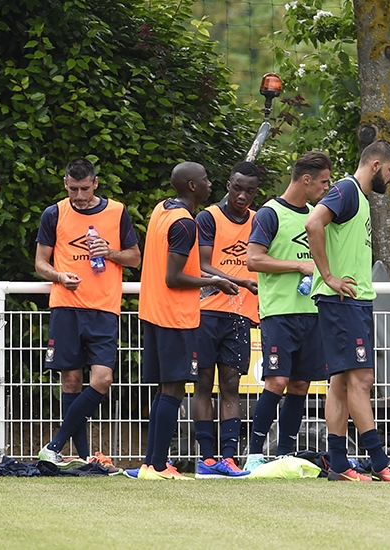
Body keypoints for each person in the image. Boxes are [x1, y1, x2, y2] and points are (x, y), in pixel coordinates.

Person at [305, 140, 390, 482]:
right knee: (362, 379)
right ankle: (380, 463)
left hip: (350, 301)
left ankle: (339, 465)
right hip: (343, 301)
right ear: (375, 165)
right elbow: (313, 224)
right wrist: (328, 276)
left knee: (340, 383)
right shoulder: (347, 190)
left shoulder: (357, 196)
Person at [34, 158, 140, 472]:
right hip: (67, 305)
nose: (78, 195)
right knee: (71, 380)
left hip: (104, 307)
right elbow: (40, 263)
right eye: (72, 189)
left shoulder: (117, 211)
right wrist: (58, 276)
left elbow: (134, 258)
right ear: (65, 184)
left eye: (83, 188)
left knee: (103, 379)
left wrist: (109, 252)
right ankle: (82, 458)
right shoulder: (54, 213)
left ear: (95, 183)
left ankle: (54, 446)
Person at [136, 161, 238, 480]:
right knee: (174, 391)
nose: (211, 184)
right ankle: (159, 465)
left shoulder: (162, 210)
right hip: (174, 316)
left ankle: (151, 463)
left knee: (164, 390)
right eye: (206, 179)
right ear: (192, 186)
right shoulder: (185, 224)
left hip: (153, 312)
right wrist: (214, 283)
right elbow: (174, 277)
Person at [243, 151, 330, 472]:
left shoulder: (315, 216)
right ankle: (253, 454)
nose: (326, 188)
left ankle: (285, 454)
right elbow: (254, 260)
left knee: (300, 384)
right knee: (276, 381)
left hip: (312, 312)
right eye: (323, 181)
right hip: (279, 313)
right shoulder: (270, 213)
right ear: (305, 180)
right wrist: (298, 265)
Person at [192, 161, 261, 479]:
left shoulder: (260, 221)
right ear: (228, 185)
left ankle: (229, 456)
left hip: (240, 314)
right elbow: (203, 265)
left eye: (249, 191)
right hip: (206, 312)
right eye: (237, 188)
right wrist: (236, 279)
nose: (242, 196)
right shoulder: (209, 217)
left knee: (232, 385)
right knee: (203, 384)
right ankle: (207, 458)